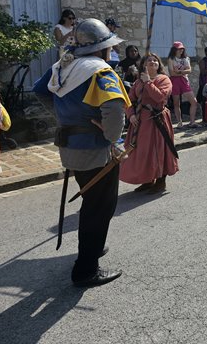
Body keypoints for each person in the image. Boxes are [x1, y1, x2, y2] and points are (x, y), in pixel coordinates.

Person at [46, 18, 130, 287]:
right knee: (99, 207)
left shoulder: (63, 66)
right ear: (102, 48)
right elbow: (114, 110)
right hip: (95, 149)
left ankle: (93, 247)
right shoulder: (100, 71)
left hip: (69, 146)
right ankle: (86, 270)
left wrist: (65, 119)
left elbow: (40, 91)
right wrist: (111, 137)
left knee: (91, 201)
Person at [120, 53, 178, 194]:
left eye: (155, 60)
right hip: (140, 121)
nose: (152, 62)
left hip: (158, 120)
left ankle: (161, 181)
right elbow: (128, 100)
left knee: (159, 149)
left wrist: (148, 83)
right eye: (149, 60)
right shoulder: (138, 82)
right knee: (142, 151)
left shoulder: (164, 79)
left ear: (159, 64)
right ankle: (147, 179)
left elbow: (159, 97)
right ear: (144, 65)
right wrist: (131, 115)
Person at [167, 41, 199, 128]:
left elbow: (189, 70)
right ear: (174, 49)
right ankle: (179, 122)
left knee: (194, 102)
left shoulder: (186, 58)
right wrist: (183, 72)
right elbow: (172, 73)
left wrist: (179, 72)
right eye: (179, 49)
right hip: (174, 82)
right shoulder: (171, 59)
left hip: (184, 81)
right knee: (176, 103)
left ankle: (192, 122)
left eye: (182, 49)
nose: (181, 50)